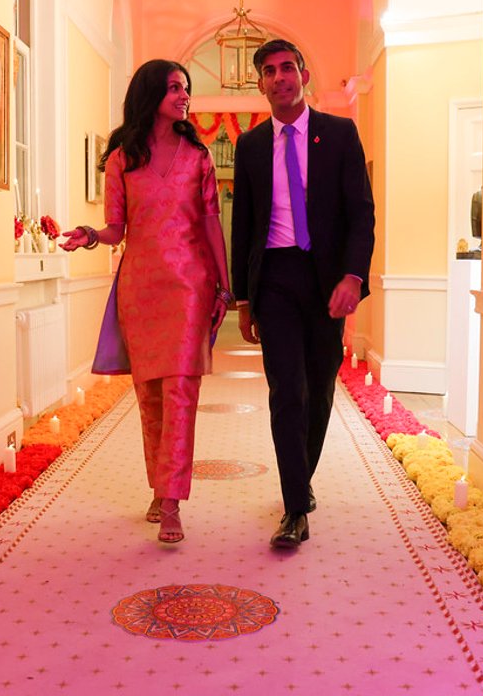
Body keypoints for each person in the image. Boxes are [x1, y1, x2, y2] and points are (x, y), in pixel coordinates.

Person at [61, 59, 232, 544]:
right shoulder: (123, 158)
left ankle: (173, 500)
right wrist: (91, 235)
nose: (184, 95)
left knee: (181, 392)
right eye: (175, 87)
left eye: (186, 88)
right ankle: (160, 486)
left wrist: (223, 286)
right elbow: (118, 228)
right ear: (151, 92)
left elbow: (210, 225)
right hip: (140, 286)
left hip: (190, 287)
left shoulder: (199, 157)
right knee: (151, 396)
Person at [230, 38, 375, 549]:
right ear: (261, 83)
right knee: (285, 392)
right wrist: (244, 299)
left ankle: (301, 479)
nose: (278, 78)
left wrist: (353, 278)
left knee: (318, 390)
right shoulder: (250, 146)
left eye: (286, 68)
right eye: (268, 72)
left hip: (326, 281)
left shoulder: (337, 134)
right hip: (274, 279)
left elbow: (361, 213)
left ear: (303, 74)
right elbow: (242, 224)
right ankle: (295, 506)